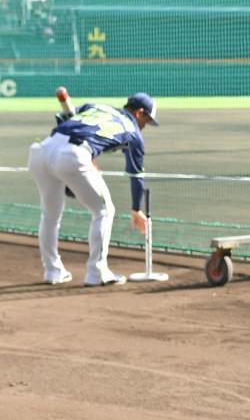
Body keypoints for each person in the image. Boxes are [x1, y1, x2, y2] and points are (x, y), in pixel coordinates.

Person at [27, 93, 158, 286]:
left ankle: (53, 271)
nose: (145, 126)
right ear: (139, 113)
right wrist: (135, 208)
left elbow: (63, 118)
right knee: (104, 210)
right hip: (72, 155)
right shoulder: (133, 133)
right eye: (146, 120)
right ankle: (97, 272)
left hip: (41, 151)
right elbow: (136, 175)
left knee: (50, 215)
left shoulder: (97, 107)